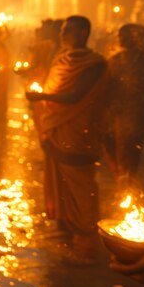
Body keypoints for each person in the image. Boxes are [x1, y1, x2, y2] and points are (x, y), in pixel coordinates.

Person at [26, 16, 107, 265]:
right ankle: (66, 227)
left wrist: (43, 96)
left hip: (78, 132)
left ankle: (86, 246)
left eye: (67, 30)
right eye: (62, 30)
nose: (63, 34)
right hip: (56, 128)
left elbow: (75, 95)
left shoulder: (94, 64)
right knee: (60, 179)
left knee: (81, 185)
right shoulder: (62, 58)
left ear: (83, 33)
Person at [104, 24, 144, 185]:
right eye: (119, 36)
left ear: (135, 38)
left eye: (124, 36)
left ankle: (128, 179)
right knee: (120, 146)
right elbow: (103, 88)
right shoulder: (114, 60)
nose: (120, 39)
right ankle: (123, 178)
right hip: (117, 112)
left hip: (139, 112)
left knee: (133, 146)